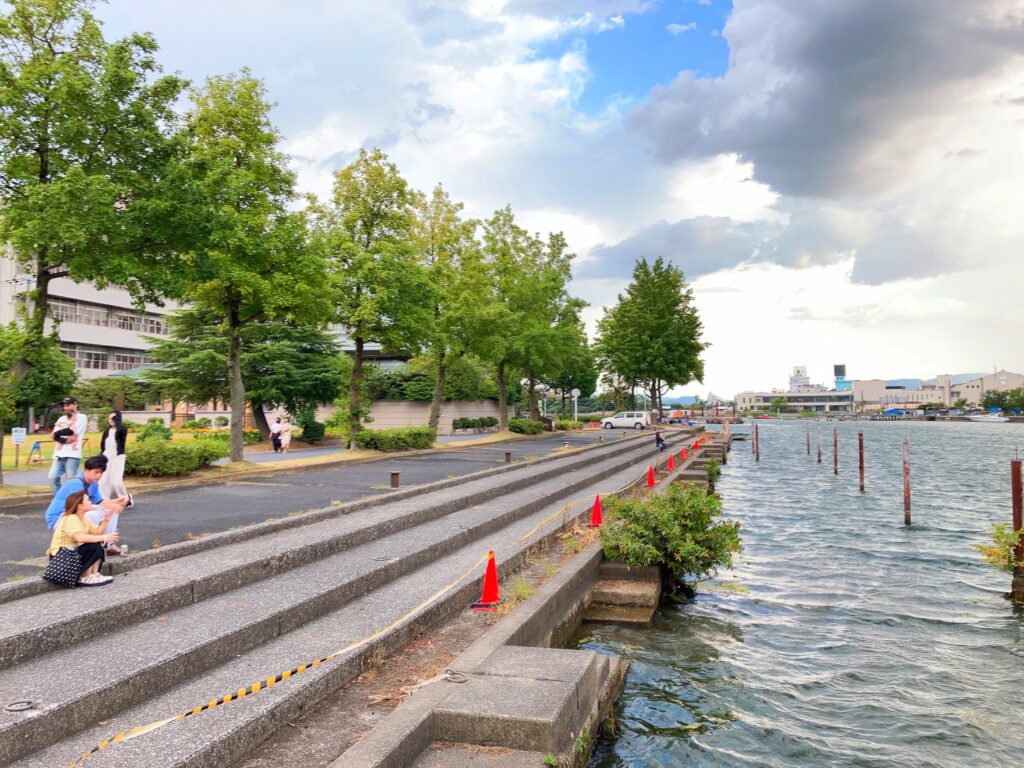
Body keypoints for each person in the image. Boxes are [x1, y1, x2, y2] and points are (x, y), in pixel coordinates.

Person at [44, 455, 128, 556]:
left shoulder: (94, 483)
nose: (99, 476)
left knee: (112, 511)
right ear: (86, 470)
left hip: (73, 515)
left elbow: (98, 502)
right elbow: (81, 507)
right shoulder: (75, 483)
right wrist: (110, 506)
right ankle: (89, 544)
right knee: (94, 514)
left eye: (101, 473)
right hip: (60, 518)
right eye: (96, 472)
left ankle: (108, 544)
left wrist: (115, 502)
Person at [46, 490, 118, 587]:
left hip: (71, 554)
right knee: (93, 545)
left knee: (98, 543)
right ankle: (85, 576)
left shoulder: (83, 518)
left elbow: (97, 532)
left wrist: (105, 520)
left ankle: (94, 574)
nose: (90, 502)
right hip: (61, 556)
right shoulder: (71, 518)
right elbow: (80, 538)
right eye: (87, 500)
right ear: (79, 505)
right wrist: (105, 537)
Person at [49, 397, 88, 493]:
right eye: (65, 405)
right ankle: (60, 500)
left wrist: (58, 435)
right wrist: (61, 437)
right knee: (52, 478)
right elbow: (53, 435)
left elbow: (71, 432)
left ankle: (72, 503)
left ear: (75, 405)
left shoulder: (82, 417)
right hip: (59, 454)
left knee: (71, 482)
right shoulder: (61, 418)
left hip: (73, 455)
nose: (66, 408)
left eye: (68, 405)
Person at [99, 410, 133, 511]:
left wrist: (117, 423)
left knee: (116, 482)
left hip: (118, 457)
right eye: (109, 418)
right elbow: (103, 446)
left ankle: (126, 499)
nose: (110, 421)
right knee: (103, 480)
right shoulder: (106, 431)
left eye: (113, 418)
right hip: (106, 457)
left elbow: (121, 437)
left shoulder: (122, 429)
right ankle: (105, 501)